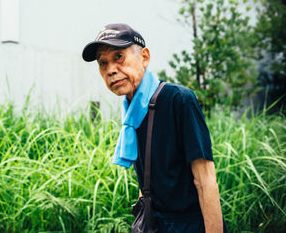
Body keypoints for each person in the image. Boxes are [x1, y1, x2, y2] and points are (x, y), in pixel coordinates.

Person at [82, 23, 227, 232]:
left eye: (118, 57)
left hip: (188, 224)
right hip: (153, 224)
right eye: (103, 63)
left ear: (144, 57)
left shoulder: (179, 100)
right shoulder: (132, 111)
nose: (111, 70)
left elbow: (205, 180)